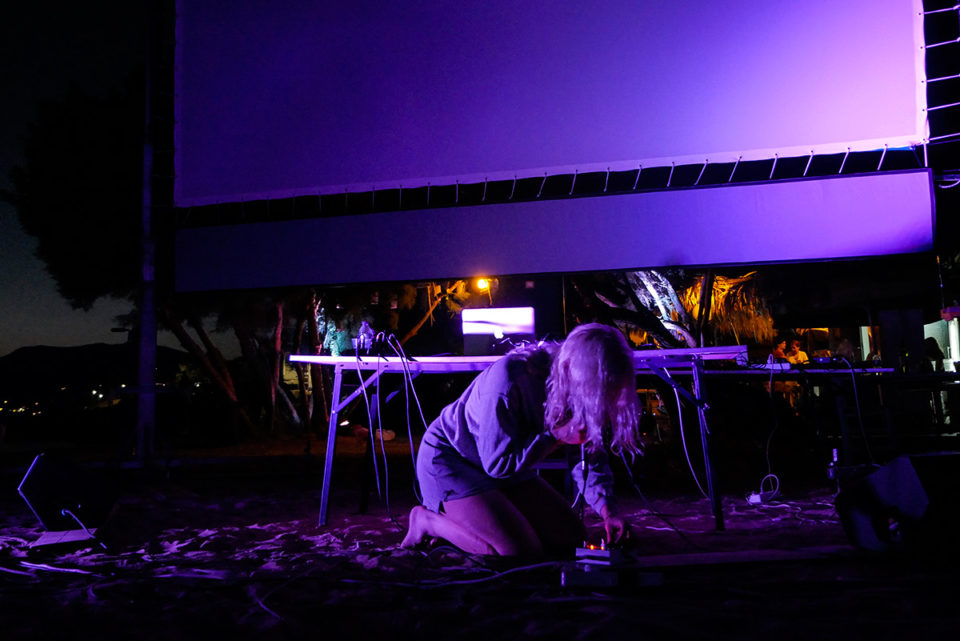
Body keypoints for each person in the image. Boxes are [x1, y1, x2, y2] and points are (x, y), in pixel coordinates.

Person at [400, 323, 641, 557]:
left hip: (506, 470)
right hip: (452, 460)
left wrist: (608, 511)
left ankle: (476, 521)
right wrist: (555, 437)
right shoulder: (509, 378)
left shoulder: (579, 387)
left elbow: (588, 454)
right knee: (516, 552)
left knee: (571, 538)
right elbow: (497, 464)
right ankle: (428, 522)